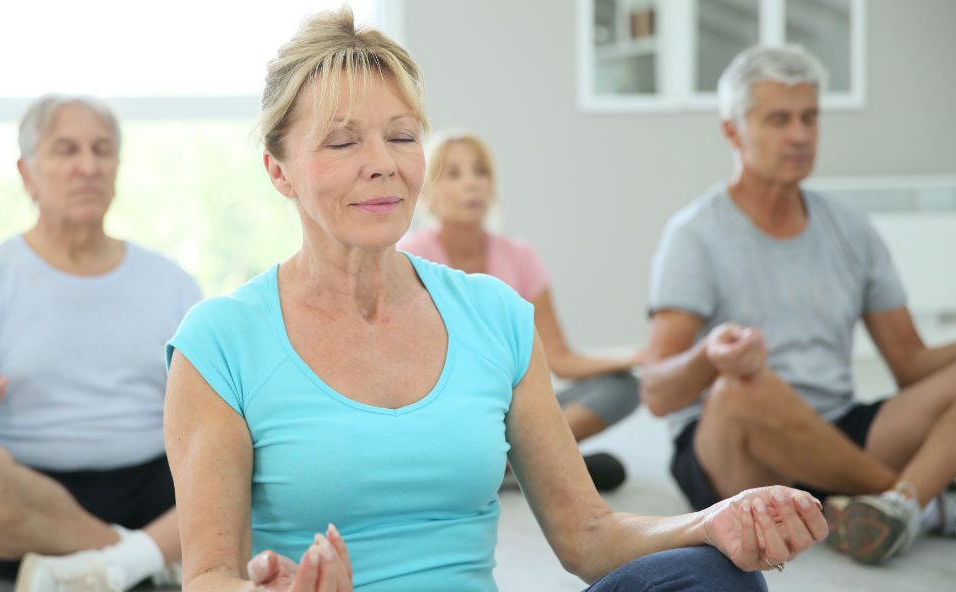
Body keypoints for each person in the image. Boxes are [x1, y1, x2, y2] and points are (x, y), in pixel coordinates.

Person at [163, 9, 826, 591]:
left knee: (711, 573)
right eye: (342, 142)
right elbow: (209, 578)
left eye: (401, 136)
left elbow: (588, 535)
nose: (384, 163)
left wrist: (710, 520)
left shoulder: (496, 314)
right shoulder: (219, 342)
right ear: (277, 170)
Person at [642, 44, 956, 567]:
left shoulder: (852, 230)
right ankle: (916, 500)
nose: (800, 135)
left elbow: (911, 365)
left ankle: (890, 506)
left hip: (838, 429)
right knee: (741, 390)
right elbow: (655, 392)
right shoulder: (694, 235)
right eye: (779, 119)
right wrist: (708, 359)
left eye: (810, 118)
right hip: (738, 453)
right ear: (732, 131)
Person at [0, 94, 202, 591]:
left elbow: (206, 418)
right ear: (27, 173)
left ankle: (102, 567)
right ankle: (142, 557)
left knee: (259, 449)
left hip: (156, 485)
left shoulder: (172, 283)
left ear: (117, 167)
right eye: (66, 150)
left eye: (102, 150)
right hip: (27, 501)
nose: (88, 166)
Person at [398, 132, 640, 491]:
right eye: (453, 174)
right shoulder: (408, 258)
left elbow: (560, 357)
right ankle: (526, 463)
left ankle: (506, 463)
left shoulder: (521, 256)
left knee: (623, 387)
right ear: (428, 194)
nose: (471, 183)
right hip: (451, 413)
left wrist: (635, 357)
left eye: (480, 172)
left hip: (515, 412)